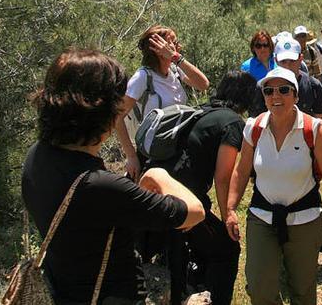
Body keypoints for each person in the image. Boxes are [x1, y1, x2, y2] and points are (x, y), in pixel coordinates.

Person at [22, 48, 204, 305]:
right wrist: (156, 172)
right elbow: (194, 211)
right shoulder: (99, 186)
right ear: (104, 110)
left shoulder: (37, 156)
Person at [225, 67, 322, 305]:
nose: (275, 96)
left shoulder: (311, 129)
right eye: (269, 91)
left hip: (305, 218)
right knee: (259, 287)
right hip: (262, 216)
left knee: (302, 290)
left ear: (296, 95)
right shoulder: (254, 127)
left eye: (283, 90)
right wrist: (230, 209)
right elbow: (241, 172)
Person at [150, 70, 259, 305]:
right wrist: (228, 214)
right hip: (182, 202)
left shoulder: (200, 111)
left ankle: (194, 289)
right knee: (227, 248)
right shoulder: (232, 122)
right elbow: (223, 177)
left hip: (157, 193)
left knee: (193, 248)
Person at [115, 25, 210, 181]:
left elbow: (203, 84)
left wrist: (177, 58)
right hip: (153, 153)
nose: (177, 46)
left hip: (178, 150)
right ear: (158, 48)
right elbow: (117, 115)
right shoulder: (143, 77)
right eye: (171, 42)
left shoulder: (175, 70)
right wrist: (131, 156)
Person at [275, 37, 322, 131]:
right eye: (283, 61)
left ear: (300, 59)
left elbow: (321, 123)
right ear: (276, 60)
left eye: (292, 61)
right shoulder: (266, 88)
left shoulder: (313, 86)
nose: (287, 66)